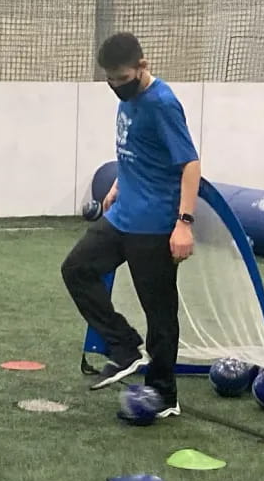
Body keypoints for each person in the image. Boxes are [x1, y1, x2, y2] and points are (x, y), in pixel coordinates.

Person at [61, 32, 200, 418]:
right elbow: (137, 149)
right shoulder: (128, 100)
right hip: (122, 216)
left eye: (122, 80)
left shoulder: (163, 104)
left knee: (159, 311)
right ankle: (123, 345)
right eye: (110, 81)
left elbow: (189, 164)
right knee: (76, 270)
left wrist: (184, 223)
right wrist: (120, 184)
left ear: (143, 66)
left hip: (154, 225)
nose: (116, 87)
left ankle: (164, 394)